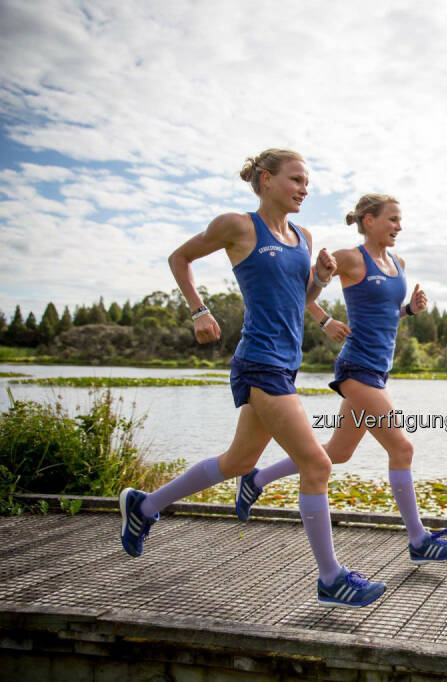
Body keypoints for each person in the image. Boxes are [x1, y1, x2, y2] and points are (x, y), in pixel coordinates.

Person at [118, 149, 386, 608]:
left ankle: (143, 507)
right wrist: (199, 310)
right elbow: (179, 258)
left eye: (307, 182)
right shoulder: (238, 226)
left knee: (239, 462)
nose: (304, 189)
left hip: (287, 362)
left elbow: (299, 296)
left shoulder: (302, 235)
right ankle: (330, 578)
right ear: (265, 179)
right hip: (258, 360)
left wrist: (320, 279)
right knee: (318, 464)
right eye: (296, 179)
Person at [234, 194, 447, 565]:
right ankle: (419, 540)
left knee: (337, 453)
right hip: (356, 369)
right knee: (402, 449)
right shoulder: (349, 258)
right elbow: (303, 291)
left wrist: (410, 309)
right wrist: (325, 321)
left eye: (400, 220)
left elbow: (385, 313)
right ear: (369, 221)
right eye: (392, 219)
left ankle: (256, 480)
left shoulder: (398, 263)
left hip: (378, 369)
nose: (398, 227)